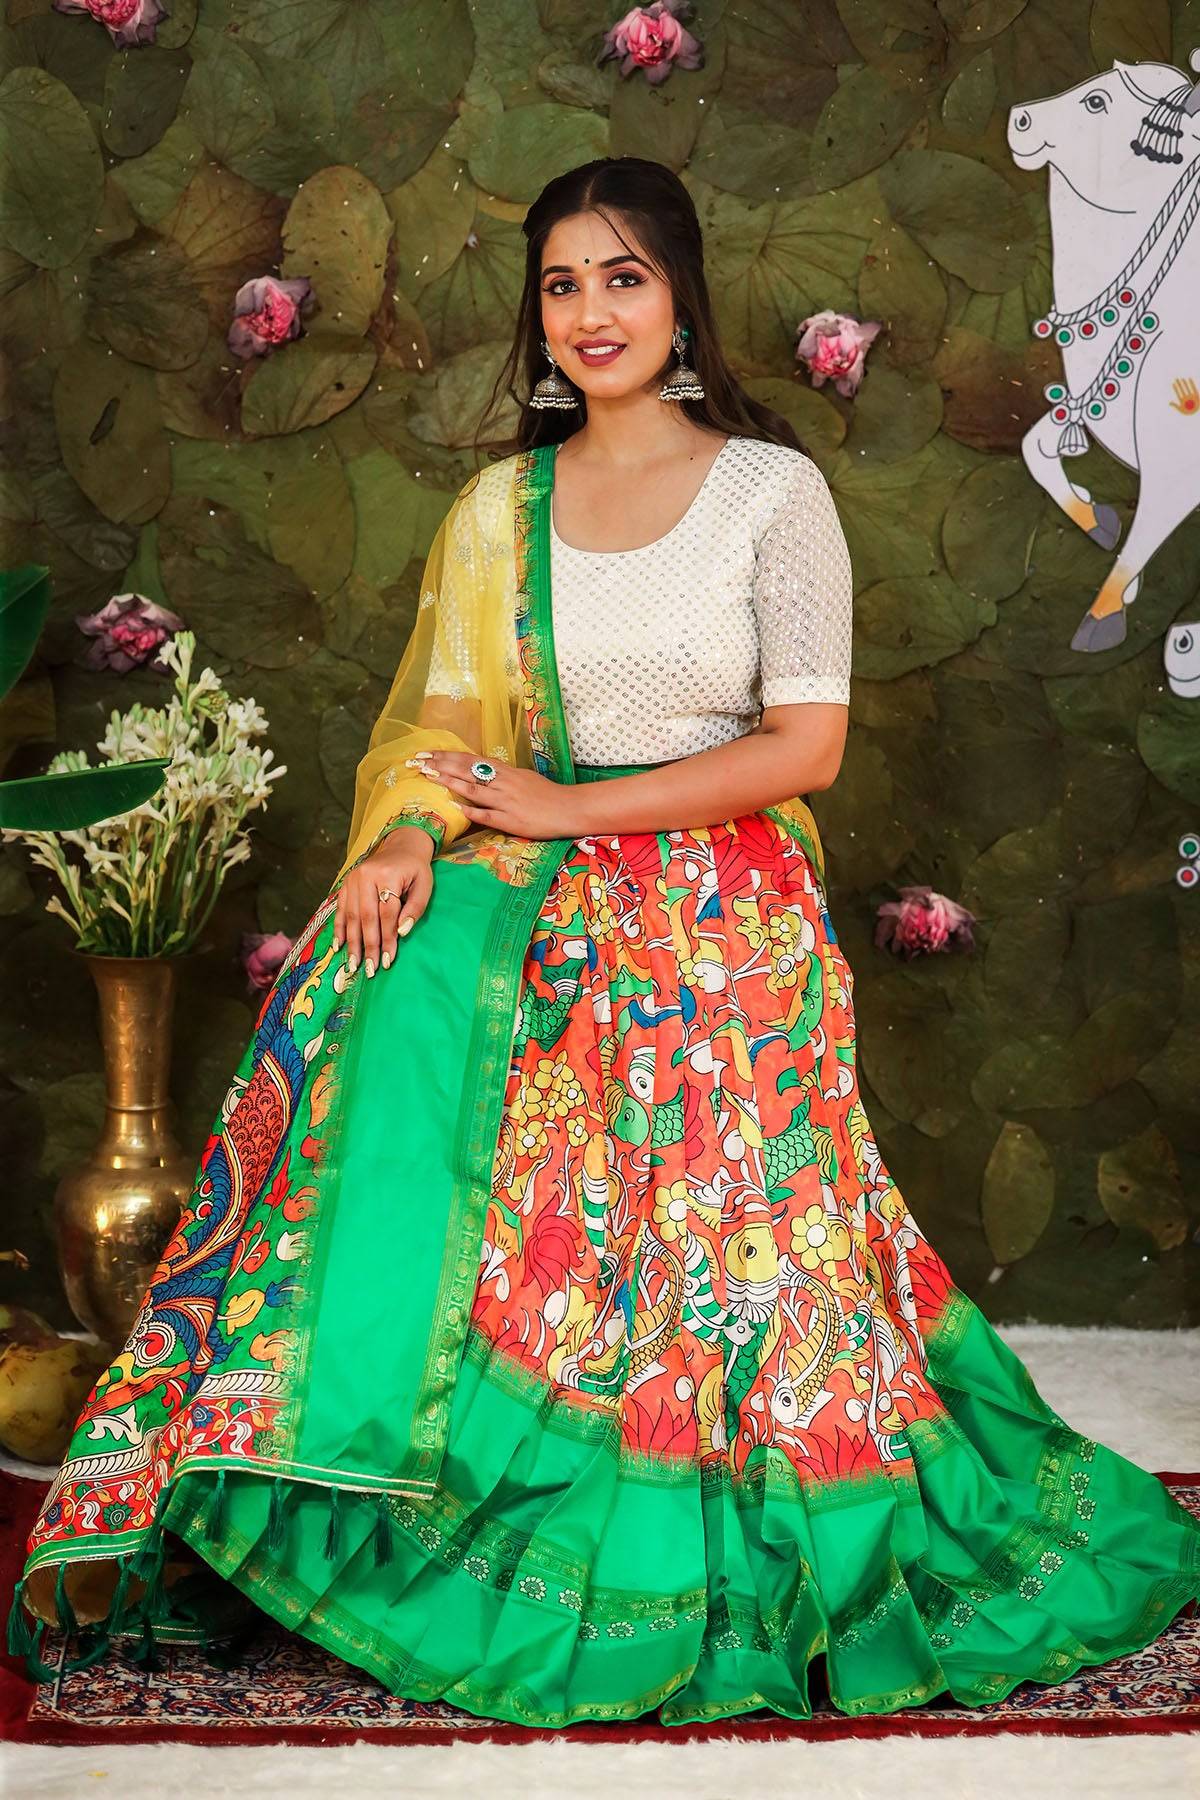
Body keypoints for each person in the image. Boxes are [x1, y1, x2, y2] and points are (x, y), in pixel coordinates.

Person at [9, 156, 1199, 1729]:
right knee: (374, 978)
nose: (589, 314)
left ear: (680, 292)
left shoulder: (776, 495)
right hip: (541, 868)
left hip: (722, 891)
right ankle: (333, 1458)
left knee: (637, 1039)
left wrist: (570, 815)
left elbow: (806, 748)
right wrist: (419, 836)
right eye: (563, 285)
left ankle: (686, 1480)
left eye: (621, 278)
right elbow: (439, 728)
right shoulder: (498, 510)